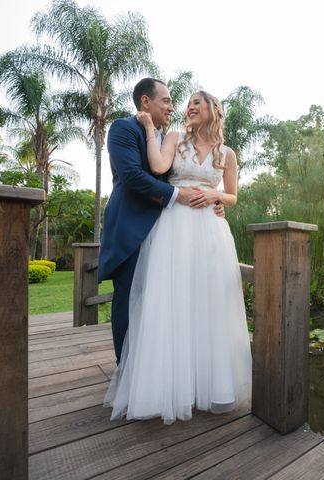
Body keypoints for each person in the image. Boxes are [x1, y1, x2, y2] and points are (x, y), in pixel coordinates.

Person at [104, 91, 252, 423]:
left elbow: (232, 195)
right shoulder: (174, 138)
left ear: (214, 110)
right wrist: (145, 129)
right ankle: (170, 388)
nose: (188, 109)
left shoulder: (226, 154)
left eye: (196, 104)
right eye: (187, 106)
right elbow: (157, 166)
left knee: (207, 303)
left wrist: (217, 194)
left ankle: (205, 386)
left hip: (210, 232)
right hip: (174, 230)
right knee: (172, 302)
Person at [98, 78, 224, 364]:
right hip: (131, 230)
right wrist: (180, 195)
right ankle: (126, 372)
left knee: (159, 304)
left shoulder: (170, 138)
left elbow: (180, 173)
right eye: (166, 100)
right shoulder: (123, 129)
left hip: (166, 231)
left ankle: (156, 370)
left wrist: (214, 201)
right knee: (130, 301)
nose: (171, 106)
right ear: (146, 101)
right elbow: (131, 176)